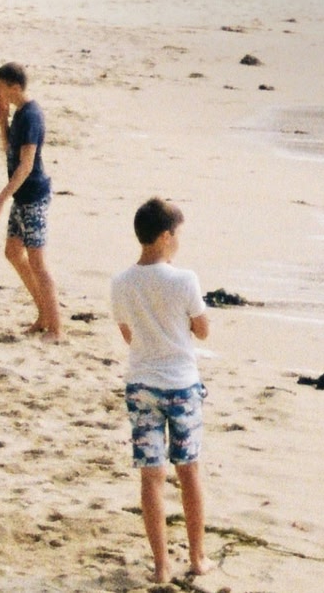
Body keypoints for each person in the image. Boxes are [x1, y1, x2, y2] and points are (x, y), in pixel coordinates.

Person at [112, 197, 214, 586]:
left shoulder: (121, 282)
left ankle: (160, 565)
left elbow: (128, 335)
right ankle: (197, 557)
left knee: (151, 476)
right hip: (181, 384)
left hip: (142, 384)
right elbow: (202, 330)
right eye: (177, 234)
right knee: (188, 471)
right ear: (166, 236)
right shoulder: (184, 280)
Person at [0, 63, 62, 340]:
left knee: (38, 263)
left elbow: (26, 165)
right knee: (13, 252)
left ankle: (57, 328)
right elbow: (10, 151)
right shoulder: (19, 114)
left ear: (14, 87)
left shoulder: (31, 116)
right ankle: (43, 315)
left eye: (0, 87)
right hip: (22, 196)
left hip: (34, 197)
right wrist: (2, 122)